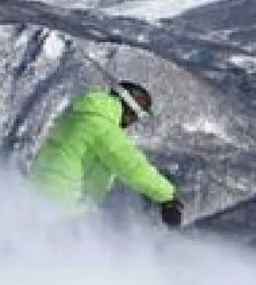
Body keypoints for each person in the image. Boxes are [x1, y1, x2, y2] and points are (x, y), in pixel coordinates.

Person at [30, 81, 184, 227]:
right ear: (130, 108)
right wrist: (168, 196)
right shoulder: (102, 126)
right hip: (64, 208)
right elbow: (131, 166)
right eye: (139, 115)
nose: (134, 121)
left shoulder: (79, 116)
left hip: (37, 197)